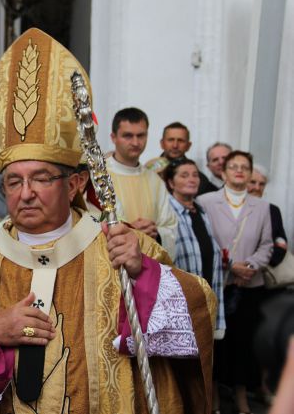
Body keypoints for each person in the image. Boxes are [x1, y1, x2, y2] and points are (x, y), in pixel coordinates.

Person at [0, 28, 216, 414]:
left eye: (40, 178)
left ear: (74, 184)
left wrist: (145, 277)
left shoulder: (124, 250)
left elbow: (201, 309)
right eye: (14, 181)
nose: (26, 193)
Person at [198, 150, 273, 414]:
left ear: (251, 173)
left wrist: (250, 266)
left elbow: (267, 245)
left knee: (244, 343)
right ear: (223, 171)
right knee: (218, 343)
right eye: (233, 166)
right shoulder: (205, 201)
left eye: (245, 167)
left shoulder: (263, 206)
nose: (239, 170)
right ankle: (215, 395)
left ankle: (242, 397)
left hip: (250, 286)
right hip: (220, 284)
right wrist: (231, 267)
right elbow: (204, 241)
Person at [163, 158, 226, 413]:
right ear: (170, 182)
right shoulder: (168, 211)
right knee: (182, 365)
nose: (191, 179)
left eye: (195, 175)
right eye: (184, 175)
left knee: (205, 362)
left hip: (206, 295)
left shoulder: (200, 210)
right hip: (181, 299)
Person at [107, 107, 178, 257]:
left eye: (141, 135)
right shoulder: (99, 177)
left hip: (149, 264)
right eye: (128, 136)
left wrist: (156, 233)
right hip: (112, 263)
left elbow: (170, 227)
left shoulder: (154, 180)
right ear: (113, 137)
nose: (135, 142)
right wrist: (130, 231)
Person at [145, 122, 216, 195]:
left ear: (188, 146)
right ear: (162, 143)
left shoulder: (199, 179)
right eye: (171, 140)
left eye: (180, 140)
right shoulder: (146, 172)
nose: (175, 145)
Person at [248, 164, 288, 267]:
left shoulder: (273, 210)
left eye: (262, 184)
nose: (257, 188)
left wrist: (268, 264)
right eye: (252, 182)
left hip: (262, 271)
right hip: (231, 270)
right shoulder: (230, 207)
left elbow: (281, 242)